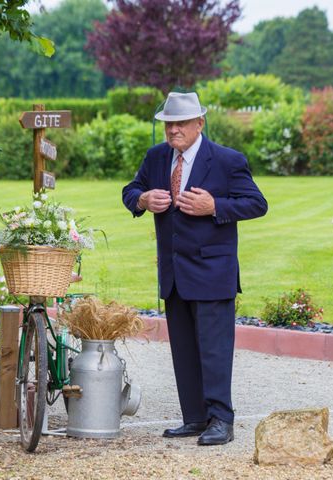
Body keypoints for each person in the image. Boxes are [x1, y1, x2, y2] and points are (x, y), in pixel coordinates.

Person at [122, 92, 268, 445]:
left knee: (214, 350)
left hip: (212, 273)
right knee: (184, 349)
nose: (173, 130)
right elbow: (130, 190)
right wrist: (143, 200)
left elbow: (257, 203)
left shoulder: (226, 160)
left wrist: (213, 206)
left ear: (199, 123)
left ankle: (222, 420)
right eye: (168, 124)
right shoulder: (157, 158)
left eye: (181, 123)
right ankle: (196, 418)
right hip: (174, 274)